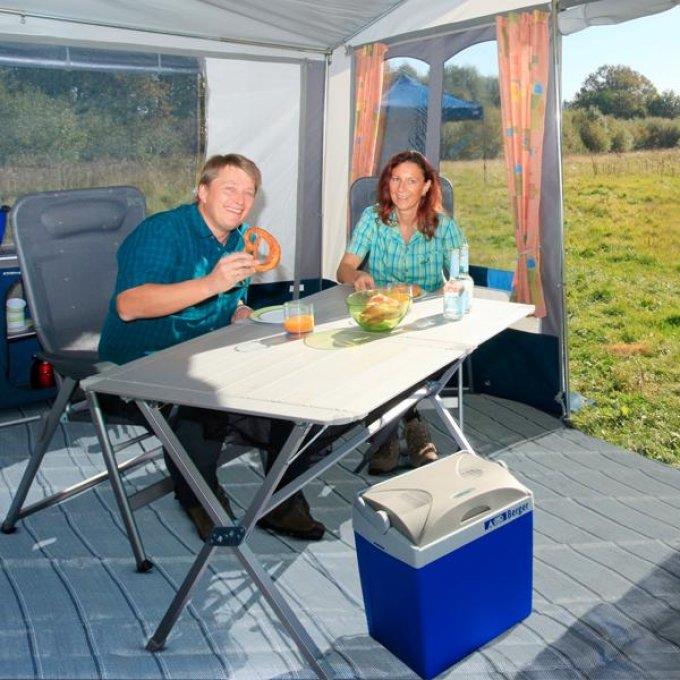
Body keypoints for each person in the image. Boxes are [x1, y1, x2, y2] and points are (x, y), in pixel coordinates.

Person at [99, 153, 324, 541]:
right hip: (135, 368)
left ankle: (281, 500)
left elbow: (231, 299)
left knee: (296, 387)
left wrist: (240, 311)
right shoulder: (162, 231)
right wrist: (211, 284)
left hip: (205, 353)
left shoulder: (241, 240)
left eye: (249, 192)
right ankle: (200, 499)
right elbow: (129, 305)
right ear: (202, 191)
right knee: (207, 397)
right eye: (230, 188)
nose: (240, 200)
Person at [337, 150, 466, 475]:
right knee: (375, 349)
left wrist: (438, 292)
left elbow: (461, 278)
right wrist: (357, 276)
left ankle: (390, 433)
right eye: (396, 179)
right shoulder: (373, 218)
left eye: (411, 181)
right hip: (381, 316)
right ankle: (408, 428)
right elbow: (344, 269)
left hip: (425, 320)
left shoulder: (444, 227)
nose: (402, 188)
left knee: (402, 354)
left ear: (426, 186)